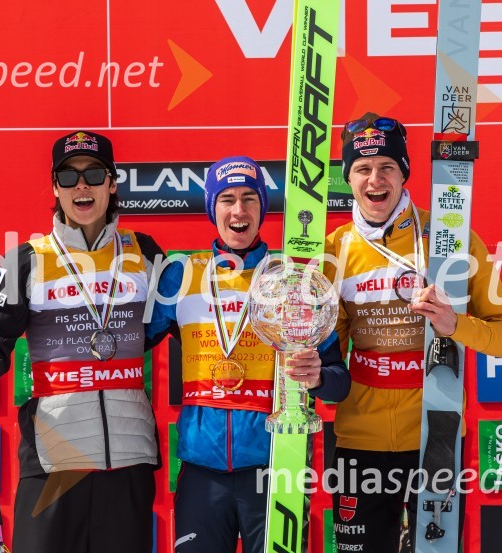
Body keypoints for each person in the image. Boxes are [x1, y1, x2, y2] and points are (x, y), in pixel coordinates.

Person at [0, 131, 163, 553]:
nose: (81, 186)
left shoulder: (146, 253)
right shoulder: (27, 259)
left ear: (112, 182)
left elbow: (180, 328)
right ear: (55, 188)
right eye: (68, 177)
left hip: (128, 457)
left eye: (93, 174)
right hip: (54, 460)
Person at [323, 113, 502, 552]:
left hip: (437, 433)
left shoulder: (453, 239)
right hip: (359, 441)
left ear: (404, 171)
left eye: (387, 167)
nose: (375, 180)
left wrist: (456, 325)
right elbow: (328, 360)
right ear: (348, 177)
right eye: (362, 168)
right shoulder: (333, 250)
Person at [146, 156, 350, 553]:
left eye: (248, 198)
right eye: (226, 199)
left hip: (276, 466)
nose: (238, 211)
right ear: (212, 209)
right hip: (201, 473)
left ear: (262, 207)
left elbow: (339, 385)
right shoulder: (181, 275)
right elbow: (129, 341)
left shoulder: (293, 279)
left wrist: (319, 378)